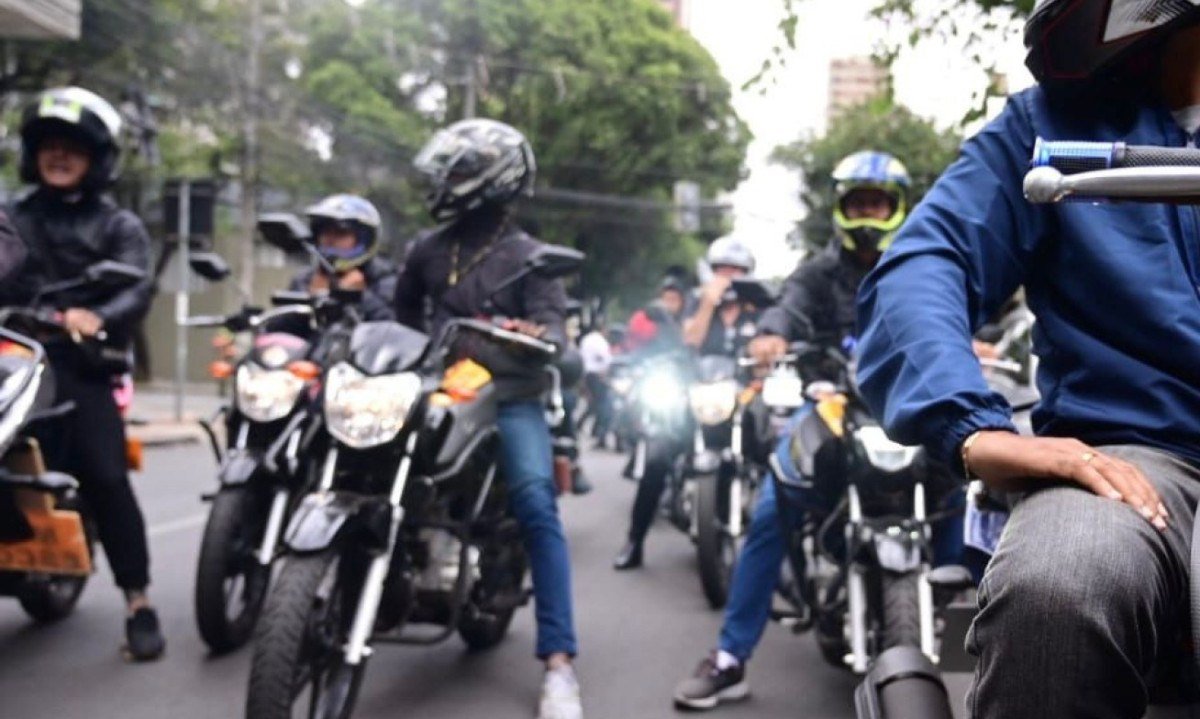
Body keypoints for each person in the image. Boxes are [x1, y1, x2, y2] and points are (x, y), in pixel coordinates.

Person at [854, 5, 1200, 717]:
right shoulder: (1052, 125)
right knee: (1056, 590)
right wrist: (971, 425)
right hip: (1132, 461)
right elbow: (928, 261)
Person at [671, 151, 914, 709]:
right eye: (858, 202)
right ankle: (730, 658)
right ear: (842, 209)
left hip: (905, 405)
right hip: (830, 404)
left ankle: (994, 632)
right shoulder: (815, 272)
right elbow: (785, 308)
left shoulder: (918, 263)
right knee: (773, 501)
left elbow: (956, 309)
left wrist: (974, 338)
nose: (868, 212)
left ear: (896, 208)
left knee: (969, 484)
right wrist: (771, 335)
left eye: (877, 203)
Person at [394, 118, 582, 719]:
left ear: (497, 179)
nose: (448, 179)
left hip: (508, 398)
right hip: (436, 393)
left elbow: (556, 331)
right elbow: (398, 319)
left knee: (536, 504)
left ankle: (559, 665)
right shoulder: (426, 249)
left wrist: (539, 334)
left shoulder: (530, 257)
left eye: (462, 170)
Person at [1, 87, 163, 661]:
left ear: (96, 158)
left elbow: (138, 287)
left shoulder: (118, 225)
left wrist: (97, 318)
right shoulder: (13, 215)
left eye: (72, 146)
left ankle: (138, 602)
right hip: (11, 358)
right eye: (49, 144)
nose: (59, 154)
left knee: (105, 474)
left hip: (78, 367)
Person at [288, 193, 397, 321]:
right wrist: (311, 300)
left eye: (341, 233)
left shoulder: (385, 278)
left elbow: (393, 323)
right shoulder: (306, 279)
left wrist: (358, 296)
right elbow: (280, 326)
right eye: (326, 232)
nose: (331, 240)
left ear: (364, 239)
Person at [681, 236, 758, 356]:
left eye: (735, 269)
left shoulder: (757, 306)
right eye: (721, 269)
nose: (727, 275)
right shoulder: (696, 300)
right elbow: (690, 343)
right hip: (703, 367)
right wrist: (708, 303)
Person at [579, 319, 614, 445]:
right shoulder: (600, 341)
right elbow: (606, 359)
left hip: (586, 374)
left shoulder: (586, 339)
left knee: (594, 403)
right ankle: (599, 433)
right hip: (598, 376)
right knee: (604, 406)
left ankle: (582, 425)